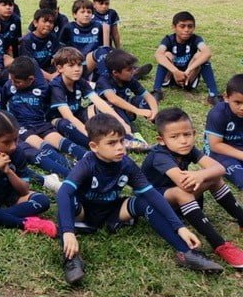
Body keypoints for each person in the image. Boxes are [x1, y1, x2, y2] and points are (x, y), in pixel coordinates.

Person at [58, 113, 223, 285]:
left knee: (144, 202)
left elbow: (152, 195)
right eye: (112, 143)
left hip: (112, 211)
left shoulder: (127, 164)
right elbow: (64, 193)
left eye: (122, 141)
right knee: (67, 198)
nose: (120, 147)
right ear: (94, 146)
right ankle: (71, 259)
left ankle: (186, 253)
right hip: (84, 212)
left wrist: (179, 227)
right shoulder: (87, 164)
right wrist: (69, 231)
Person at [142, 107, 243, 268]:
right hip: (157, 205)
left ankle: (241, 218)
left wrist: (201, 175)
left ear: (194, 133)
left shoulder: (188, 149)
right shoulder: (160, 156)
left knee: (215, 179)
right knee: (184, 191)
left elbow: (220, 169)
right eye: (174, 136)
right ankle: (220, 245)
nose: (183, 141)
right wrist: (201, 175)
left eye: (187, 134)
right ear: (161, 140)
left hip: (179, 200)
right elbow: (184, 183)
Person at [0, 111, 58, 236]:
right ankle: (25, 223)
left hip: (11, 195)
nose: (13, 146)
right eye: (6, 142)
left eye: (15, 140)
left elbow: (24, 190)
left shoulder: (17, 152)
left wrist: (9, 172)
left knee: (42, 201)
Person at [3, 56, 87, 179]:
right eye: (12, 80)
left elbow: (51, 107)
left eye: (18, 82)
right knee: (42, 145)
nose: (14, 84)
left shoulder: (43, 88)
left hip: (41, 124)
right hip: (21, 126)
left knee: (62, 142)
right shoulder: (8, 86)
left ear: (31, 79)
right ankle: (70, 168)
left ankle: (90, 158)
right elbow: (2, 106)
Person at [48, 47, 139, 150]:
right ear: (60, 68)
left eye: (79, 65)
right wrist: (91, 136)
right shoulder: (56, 86)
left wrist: (122, 123)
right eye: (71, 66)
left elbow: (99, 102)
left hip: (77, 113)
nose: (77, 69)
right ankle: (101, 145)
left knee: (106, 106)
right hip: (58, 120)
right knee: (65, 124)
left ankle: (129, 139)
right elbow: (69, 117)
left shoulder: (80, 81)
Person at [151, 11, 221, 105]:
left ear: (194, 27)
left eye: (190, 26)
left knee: (201, 56)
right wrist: (176, 71)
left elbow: (207, 53)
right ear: (174, 27)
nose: (186, 29)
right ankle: (157, 91)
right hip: (172, 76)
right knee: (166, 54)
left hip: (189, 77)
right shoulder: (168, 39)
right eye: (182, 26)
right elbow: (158, 54)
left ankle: (213, 95)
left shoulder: (196, 39)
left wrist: (188, 70)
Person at [96, 49, 159, 137]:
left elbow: (148, 96)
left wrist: (155, 111)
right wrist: (137, 110)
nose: (133, 71)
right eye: (129, 70)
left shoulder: (130, 80)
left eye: (133, 68)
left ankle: (162, 123)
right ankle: (134, 137)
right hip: (109, 113)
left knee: (140, 100)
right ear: (115, 73)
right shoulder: (103, 81)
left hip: (127, 109)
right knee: (115, 109)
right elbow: (113, 99)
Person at [204, 74, 243, 189]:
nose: (242, 108)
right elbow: (215, 145)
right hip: (219, 152)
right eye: (237, 102)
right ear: (226, 97)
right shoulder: (218, 114)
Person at [60, 0, 110, 75]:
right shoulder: (68, 28)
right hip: (75, 63)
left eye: (89, 12)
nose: (86, 14)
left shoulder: (98, 27)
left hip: (94, 62)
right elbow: (62, 49)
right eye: (82, 12)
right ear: (75, 14)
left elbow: (105, 48)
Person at [19, 9, 61, 82]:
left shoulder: (53, 38)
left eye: (51, 22)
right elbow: (30, 65)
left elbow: (57, 58)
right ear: (35, 23)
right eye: (44, 21)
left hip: (48, 70)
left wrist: (58, 72)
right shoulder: (27, 40)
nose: (48, 24)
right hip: (31, 74)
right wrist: (49, 77)